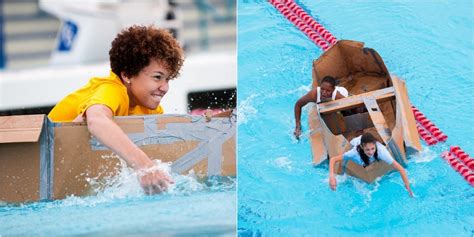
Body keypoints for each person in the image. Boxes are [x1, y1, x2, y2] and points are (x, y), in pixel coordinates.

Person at [48, 25, 184, 195]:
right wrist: (145, 166)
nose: (165, 88)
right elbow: (96, 121)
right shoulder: (111, 88)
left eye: (168, 79)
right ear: (127, 75)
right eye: (157, 77)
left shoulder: (149, 110)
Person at [328, 132, 414, 197]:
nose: (371, 152)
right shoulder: (354, 152)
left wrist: (408, 187)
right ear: (362, 147)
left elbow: (400, 168)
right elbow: (333, 159)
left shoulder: (381, 151)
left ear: (376, 146)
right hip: (356, 141)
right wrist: (332, 177)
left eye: (373, 149)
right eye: (367, 149)